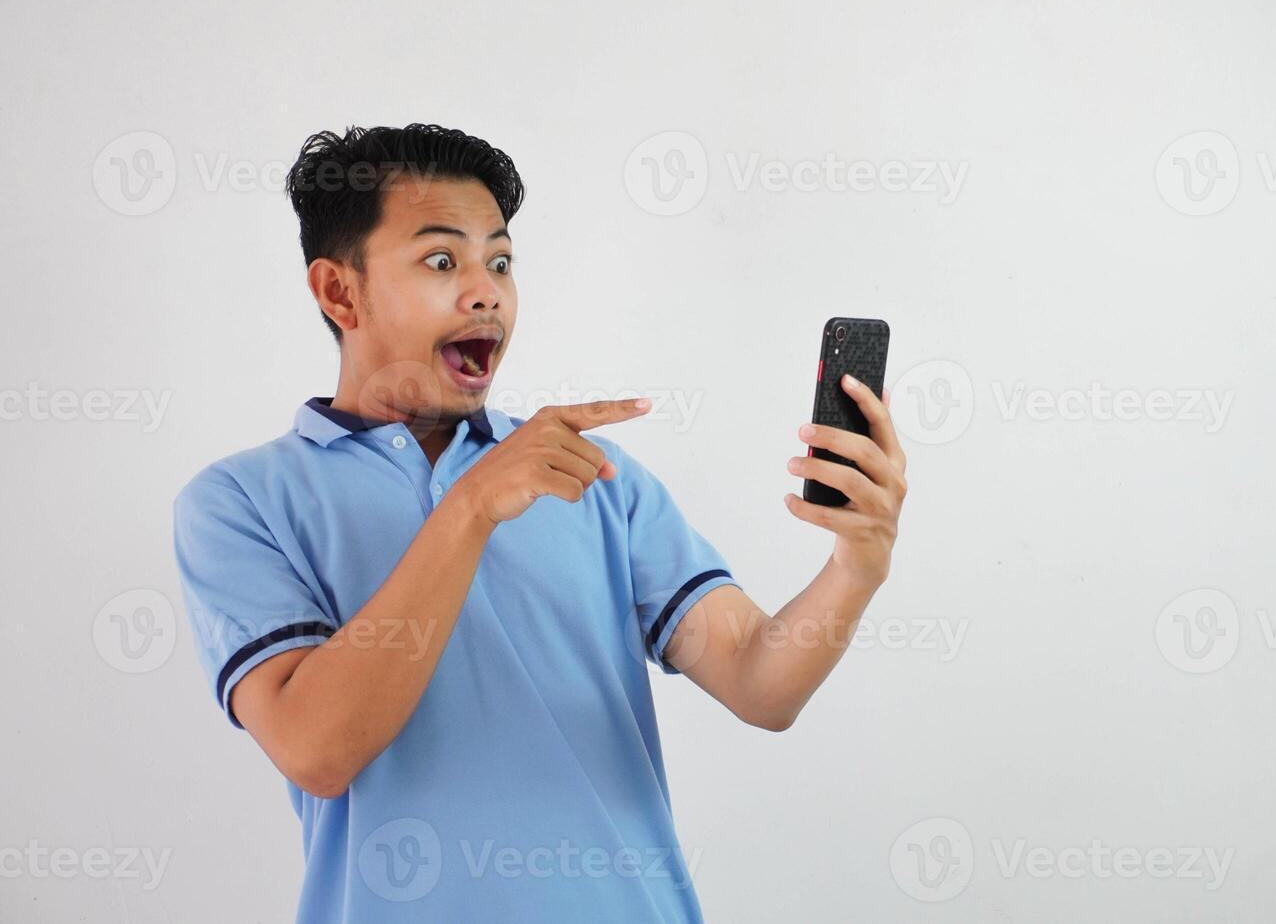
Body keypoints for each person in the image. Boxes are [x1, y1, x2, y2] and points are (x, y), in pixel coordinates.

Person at [171, 123, 908, 922]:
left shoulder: (598, 482)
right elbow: (315, 748)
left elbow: (761, 685)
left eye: (501, 262)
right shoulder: (240, 503)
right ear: (339, 292)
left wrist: (855, 567)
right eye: (442, 260)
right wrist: (472, 506)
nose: (486, 290)